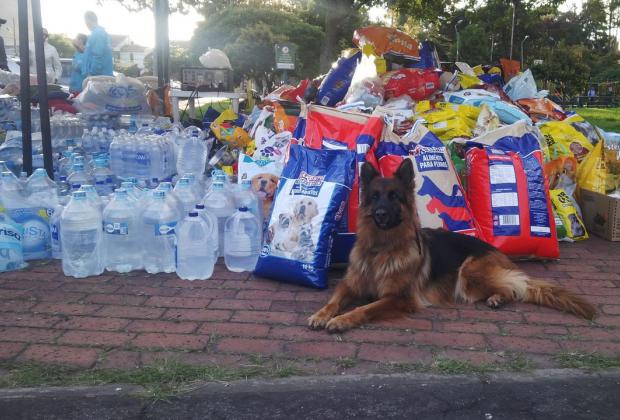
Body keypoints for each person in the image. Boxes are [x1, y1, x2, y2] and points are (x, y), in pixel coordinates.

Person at [82, 11, 113, 78]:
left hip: (97, 77)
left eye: (85, 21)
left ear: (89, 20)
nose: (85, 24)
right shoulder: (100, 33)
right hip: (101, 76)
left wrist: (92, 74)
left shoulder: (97, 34)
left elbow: (97, 56)